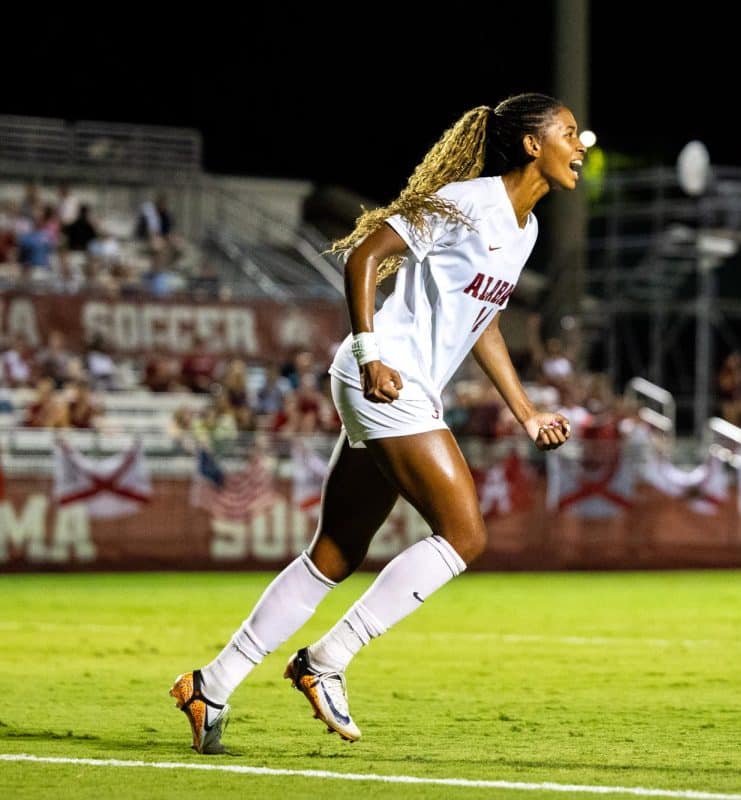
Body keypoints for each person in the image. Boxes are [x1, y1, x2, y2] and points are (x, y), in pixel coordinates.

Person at [170, 92, 586, 754]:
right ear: (534, 145)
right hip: (383, 376)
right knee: (464, 535)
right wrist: (369, 355)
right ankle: (325, 662)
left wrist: (528, 412)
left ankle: (209, 685)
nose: (582, 144)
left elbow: (484, 322)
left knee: (334, 553)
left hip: (401, 385)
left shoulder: (527, 229)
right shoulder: (467, 200)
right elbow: (366, 255)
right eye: (570, 133)